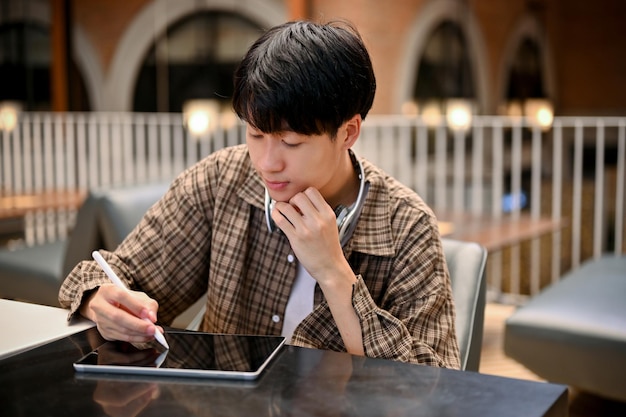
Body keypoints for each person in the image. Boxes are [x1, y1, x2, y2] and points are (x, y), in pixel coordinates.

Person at [59, 19, 460, 368]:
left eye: (290, 142)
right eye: (255, 134)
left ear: (348, 132)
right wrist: (100, 301)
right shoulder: (222, 180)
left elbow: (434, 381)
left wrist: (334, 273)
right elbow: (110, 273)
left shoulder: (407, 225)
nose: (267, 162)